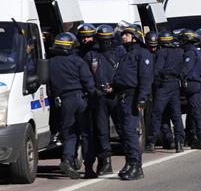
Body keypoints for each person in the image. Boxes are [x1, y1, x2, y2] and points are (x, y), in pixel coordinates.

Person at [48, 32, 97, 179]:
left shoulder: (50, 63)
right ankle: (88, 168)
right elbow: (88, 82)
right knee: (86, 134)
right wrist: (94, 96)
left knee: (69, 134)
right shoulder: (78, 61)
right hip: (80, 99)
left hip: (63, 101)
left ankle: (67, 160)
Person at [111, 25, 153, 180]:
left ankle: (136, 166)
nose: (123, 37)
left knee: (130, 131)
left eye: (126, 35)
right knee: (123, 132)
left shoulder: (143, 54)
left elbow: (146, 78)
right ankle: (129, 162)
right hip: (121, 96)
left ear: (135, 36)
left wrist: (142, 97)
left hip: (133, 96)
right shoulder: (125, 54)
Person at [83, 24, 126, 176]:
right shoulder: (91, 55)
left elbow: (124, 72)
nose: (104, 43)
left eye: (107, 40)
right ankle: (106, 161)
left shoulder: (119, 53)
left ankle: (131, 159)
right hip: (99, 97)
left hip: (115, 95)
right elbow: (87, 76)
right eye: (102, 39)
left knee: (123, 128)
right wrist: (95, 90)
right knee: (102, 130)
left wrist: (115, 87)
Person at [145, 31, 185, 153]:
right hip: (175, 85)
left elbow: (157, 70)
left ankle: (151, 143)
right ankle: (179, 143)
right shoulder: (180, 52)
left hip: (163, 85)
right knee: (176, 116)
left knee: (156, 114)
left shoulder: (162, 53)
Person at [180, 29, 201, 150]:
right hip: (196, 84)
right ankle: (193, 137)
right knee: (193, 112)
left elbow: (185, 69)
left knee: (196, 112)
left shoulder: (190, 53)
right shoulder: (197, 52)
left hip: (192, 84)